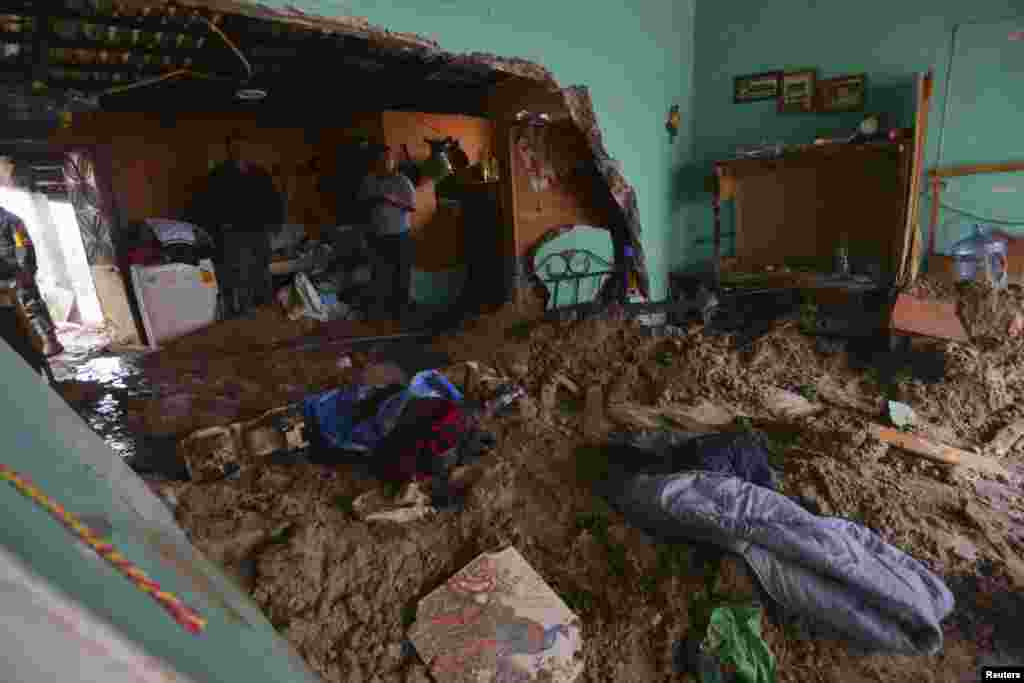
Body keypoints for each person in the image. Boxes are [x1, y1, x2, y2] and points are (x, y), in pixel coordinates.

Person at [0, 204, 63, 372]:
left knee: (31, 305)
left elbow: (24, 246)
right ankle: (31, 346)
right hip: (3, 279)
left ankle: (51, 341)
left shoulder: (10, 220)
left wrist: (25, 271)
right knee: (15, 316)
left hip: (18, 274)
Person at [358, 144, 416, 319]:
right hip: (376, 235)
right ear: (375, 162)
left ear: (392, 162)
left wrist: (392, 201)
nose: (384, 163)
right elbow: (361, 204)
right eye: (380, 160)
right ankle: (382, 309)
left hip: (399, 235)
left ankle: (401, 310)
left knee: (401, 273)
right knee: (379, 273)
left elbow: (412, 207)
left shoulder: (402, 181)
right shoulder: (368, 180)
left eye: (387, 160)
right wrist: (373, 200)